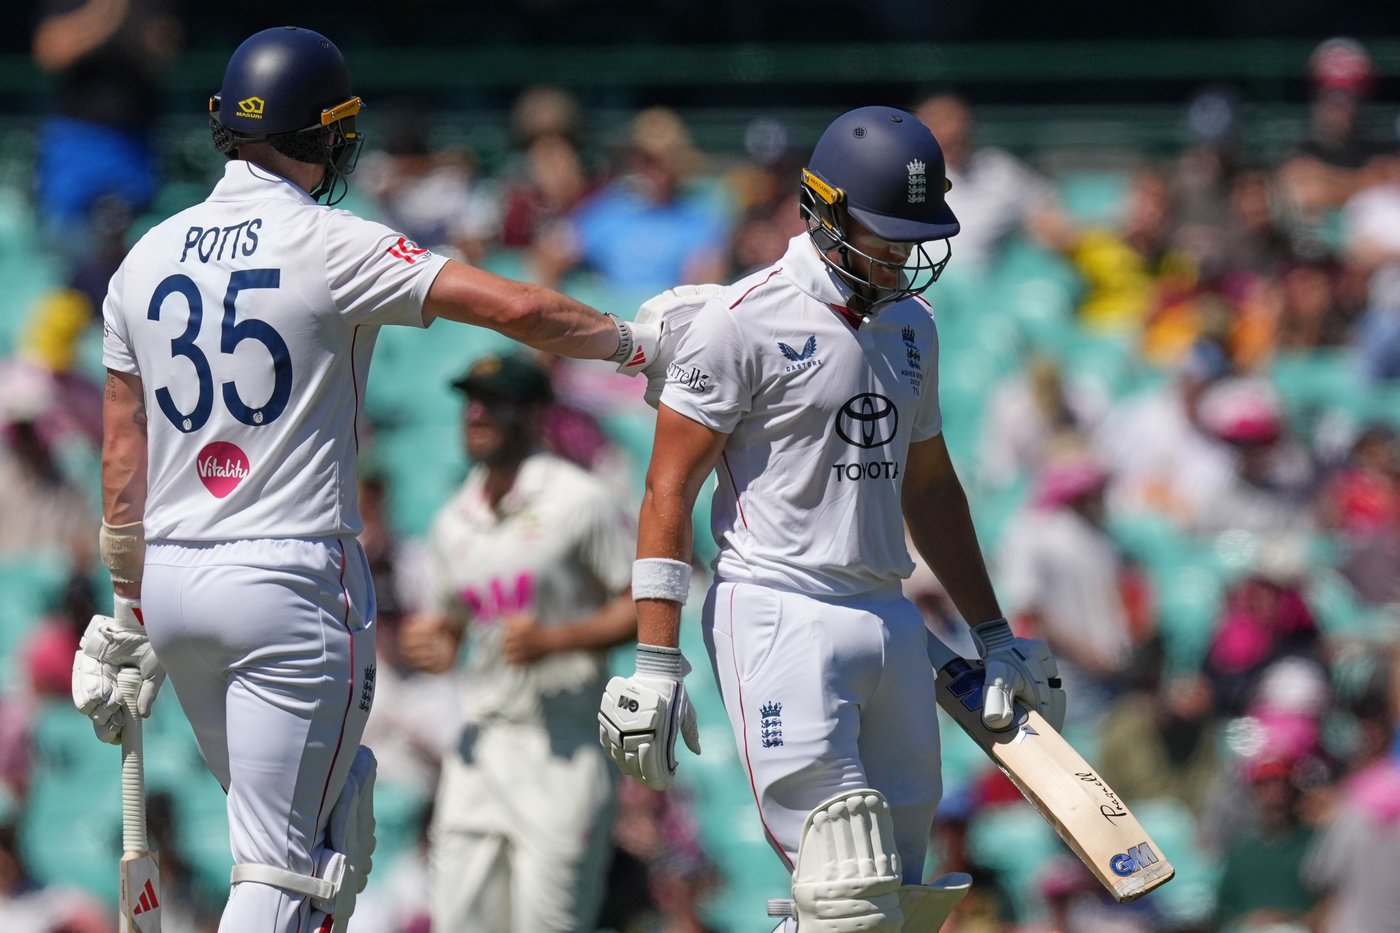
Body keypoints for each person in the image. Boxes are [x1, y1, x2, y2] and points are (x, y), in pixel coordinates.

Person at [67, 26, 665, 933]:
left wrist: (124, 605)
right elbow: (520, 305)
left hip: (176, 582)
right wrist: (636, 344)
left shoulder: (144, 258)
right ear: (325, 134)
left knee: (319, 831)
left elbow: (122, 455)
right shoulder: (328, 240)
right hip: (290, 580)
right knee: (285, 865)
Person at [597, 105, 1065, 932]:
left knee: (901, 904)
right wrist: (655, 659)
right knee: (847, 885)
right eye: (885, 233)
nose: (901, 256)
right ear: (820, 206)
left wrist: (994, 632)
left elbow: (930, 488)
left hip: (888, 615)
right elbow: (668, 487)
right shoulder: (739, 320)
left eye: (912, 235)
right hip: (780, 608)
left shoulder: (912, 325)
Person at [396, 352, 638, 933]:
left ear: (533, 415)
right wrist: (434, 643)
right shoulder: (453, 519)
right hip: (480, 748)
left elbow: (644, 606)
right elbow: (454, 630)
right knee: (460, 923)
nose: (475, 415)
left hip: (565, 747)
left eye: (494, 403)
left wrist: (559, 639)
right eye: (469, 403)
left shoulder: (580, 500)